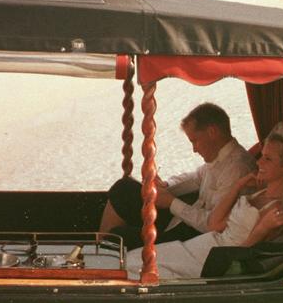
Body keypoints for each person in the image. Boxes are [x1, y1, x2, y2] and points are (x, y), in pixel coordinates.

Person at [125, 122, 283, 279]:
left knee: (144, 269)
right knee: (135, 257)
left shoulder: (277, 210)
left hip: (219, 258)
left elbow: (243, 253)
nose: (259, 163)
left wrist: (263, 228)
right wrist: (238, 185)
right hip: (207, 242)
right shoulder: (257, 194)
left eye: (268, 159)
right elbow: (215, 223)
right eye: (262, 156)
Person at [99, 103, 256, 249]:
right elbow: (195, 177)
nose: (194, 149)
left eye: (195, 141)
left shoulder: (237, 168)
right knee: (124, 188)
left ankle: (100, 255)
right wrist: (166, 186)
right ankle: (99, 247)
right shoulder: (218, 159)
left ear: (212, 132)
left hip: (195, 236)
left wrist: (171, 203)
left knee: (118, 237)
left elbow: (211, 224)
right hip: (183, 221)